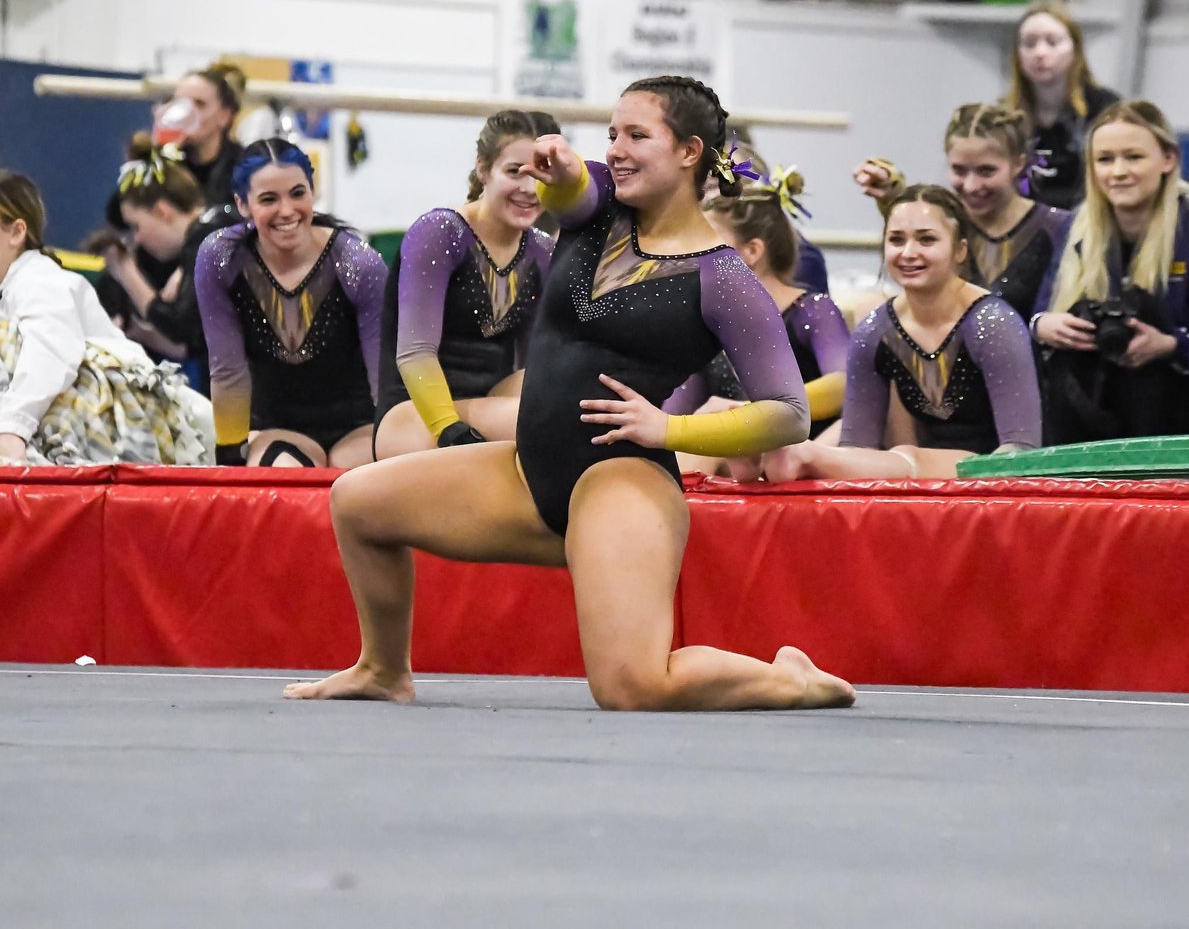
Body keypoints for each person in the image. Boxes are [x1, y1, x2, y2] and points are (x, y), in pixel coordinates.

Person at [284, 75, 855, 712]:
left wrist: (672, 431)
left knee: (634, 687)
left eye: (638, 135)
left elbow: (789, 413)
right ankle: (383, 669)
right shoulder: (600, 210)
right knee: (357, 502)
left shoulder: (721, 278)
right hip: (527, 474)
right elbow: (572, 185)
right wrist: (556, 165)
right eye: (612, 133)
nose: (617, 148)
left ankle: (791, 677)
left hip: (620, 482)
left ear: (690, 152)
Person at [740, 185, 1041, 483]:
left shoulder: (993, 323)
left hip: (991, 470)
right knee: (899, 455)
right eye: (896, 240)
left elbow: (1021, 450)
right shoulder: (876, 331)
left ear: (960, 249)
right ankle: (797, 455)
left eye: (926, 240)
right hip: (924, 478)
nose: (909, 253)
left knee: (909, 454)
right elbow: (857, 445)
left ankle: (802, 455)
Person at [373, 111, 555, 460]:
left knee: (567, 402)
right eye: (514, 171)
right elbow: (414, 354)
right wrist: (449, 429)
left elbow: (534, 359)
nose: (529, 189)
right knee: (537, 418)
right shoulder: (440, 232)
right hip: (415, 415)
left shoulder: (542, 251)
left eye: (540, 174)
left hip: (487, 402)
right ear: (484, 169)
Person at [194, 138, 387, 468]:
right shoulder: (222, 258)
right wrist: (230, 453)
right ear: (243, 205)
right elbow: (228, 371)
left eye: (298, 193)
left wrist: (396, 442)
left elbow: (384, 374)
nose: (287, 210)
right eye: (269, 199)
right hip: (276, 427)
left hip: (359, 426)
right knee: (284, 475)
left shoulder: (357, 263)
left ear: (312, 192)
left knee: (359, 481)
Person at [0, 171, 212, 466]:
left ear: (16, 232)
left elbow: (50, 350)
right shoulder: (12, 290)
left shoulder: (38, 278)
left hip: (125, 436)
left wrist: (13, 429)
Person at [1032, 100, 1189, 443]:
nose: (1118, 172)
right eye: (1105, 160)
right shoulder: (1074, 227)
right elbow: (1038, 311)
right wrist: (1045, 326)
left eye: (1133, 157)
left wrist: (1171, 345)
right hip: (1093, 403)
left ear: (1168, 159)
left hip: (1180, 406)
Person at [667, 168, 849, 466]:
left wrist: (744, 414)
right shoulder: (708, 324)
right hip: (739, 465)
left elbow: (843, 384)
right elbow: (675, 415)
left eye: (706, 241)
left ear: (751, 251)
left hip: (803, 459)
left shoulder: (812, 310)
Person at [855, 103, 1071, 324]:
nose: (971, 186)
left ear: (1018, 163)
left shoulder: (1059, 227)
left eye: (986, 171)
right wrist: (889, 195)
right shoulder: (943, 223)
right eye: (959, 170)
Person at [99, 134, 235, 391]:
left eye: (136, 226)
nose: (136, 239)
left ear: (162, 210)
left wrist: (127, 273)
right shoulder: (218, 226)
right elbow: (194, 340)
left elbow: (180, 325)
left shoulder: (209, 238)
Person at [1004, 4, 1120, 210]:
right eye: (1029, 43)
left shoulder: (1106, 109)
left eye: (1052, 42)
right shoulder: (1004, 116)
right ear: (1017, 54)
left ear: (1075, 49)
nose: (1040, 53)